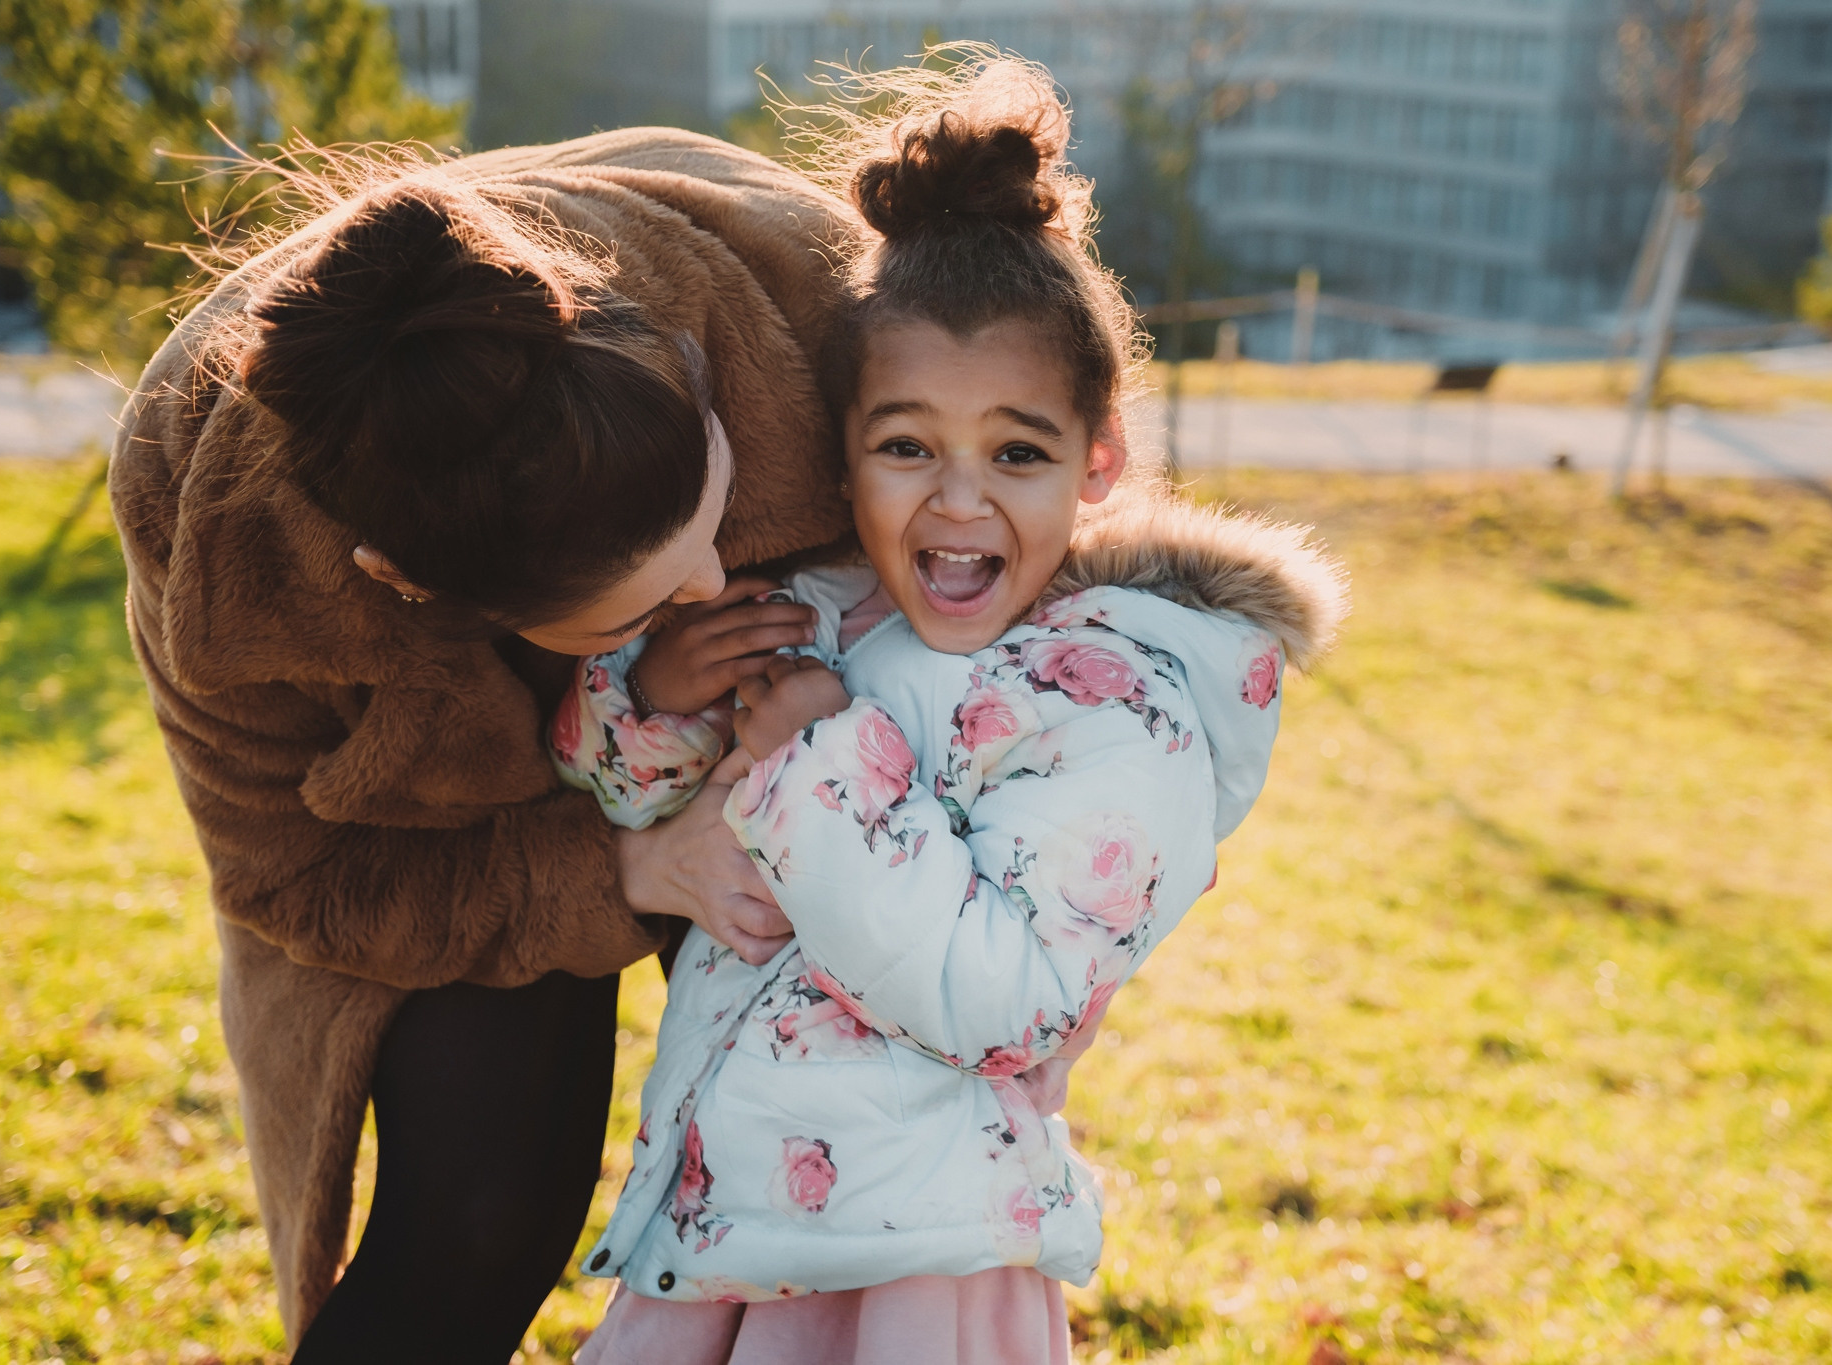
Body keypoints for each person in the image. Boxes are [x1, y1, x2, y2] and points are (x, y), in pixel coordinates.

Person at [549, 59, 1347, 1364]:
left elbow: (1006, 1000)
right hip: (718, 1231)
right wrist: (651, 696)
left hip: (923, 1267)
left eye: (1018, 453)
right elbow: (632, 799)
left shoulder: (1123, 709)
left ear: (1100, 462)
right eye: (908, 445)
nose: (960, 502)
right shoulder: (810, 616)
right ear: (842, 442)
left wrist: (811, 749)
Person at [109, 131, 864, 1359]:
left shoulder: (792, 283)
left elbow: (1024, 407)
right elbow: (290, 876)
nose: (718, 579)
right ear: (403, 591)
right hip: (450, 843)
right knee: (477, 1218)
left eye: (717, 515)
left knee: (833, 1166)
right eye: (638, 603)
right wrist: (616, 872)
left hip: (780, 760)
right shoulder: (212, 543)